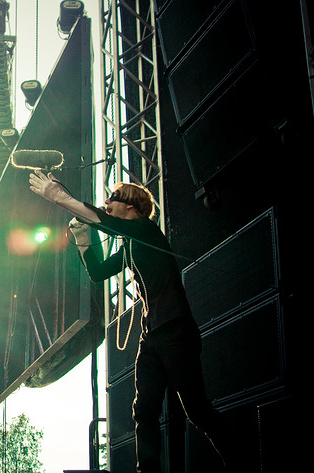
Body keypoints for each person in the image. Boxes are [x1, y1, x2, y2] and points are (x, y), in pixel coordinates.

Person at [28, 170, 239, 473]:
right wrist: (83, 240)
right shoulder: (130, 243)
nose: (106, 203)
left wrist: (62, 198)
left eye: (111, 199)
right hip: (151, 336)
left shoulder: (144, 229)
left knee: (196, 410)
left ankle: (239, 461)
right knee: (144, 411)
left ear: (130, 205)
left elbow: (108, 224)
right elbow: (99, 272)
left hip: (175, 329)